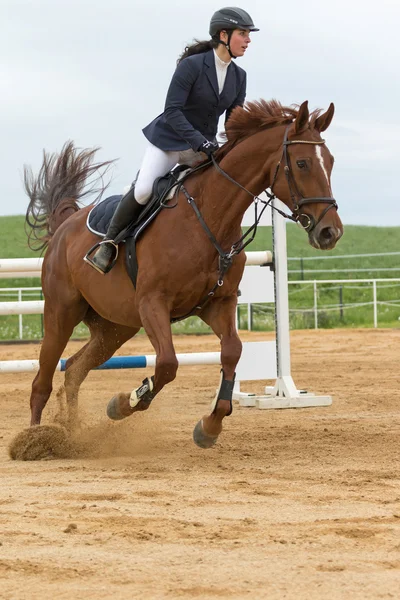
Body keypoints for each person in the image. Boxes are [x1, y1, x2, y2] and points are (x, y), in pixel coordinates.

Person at [86, 7, 259, 274]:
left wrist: (239, 144)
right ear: (223, 35)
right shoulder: (192, 66)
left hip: (203, 147)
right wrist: (200, 142)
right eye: (243, 34)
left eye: (248, 35)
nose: (248, 40)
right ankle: (108, 244)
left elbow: (232, 121)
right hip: (169, 141)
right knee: (144, 190)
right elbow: (172, 111)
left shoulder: (239, 76)